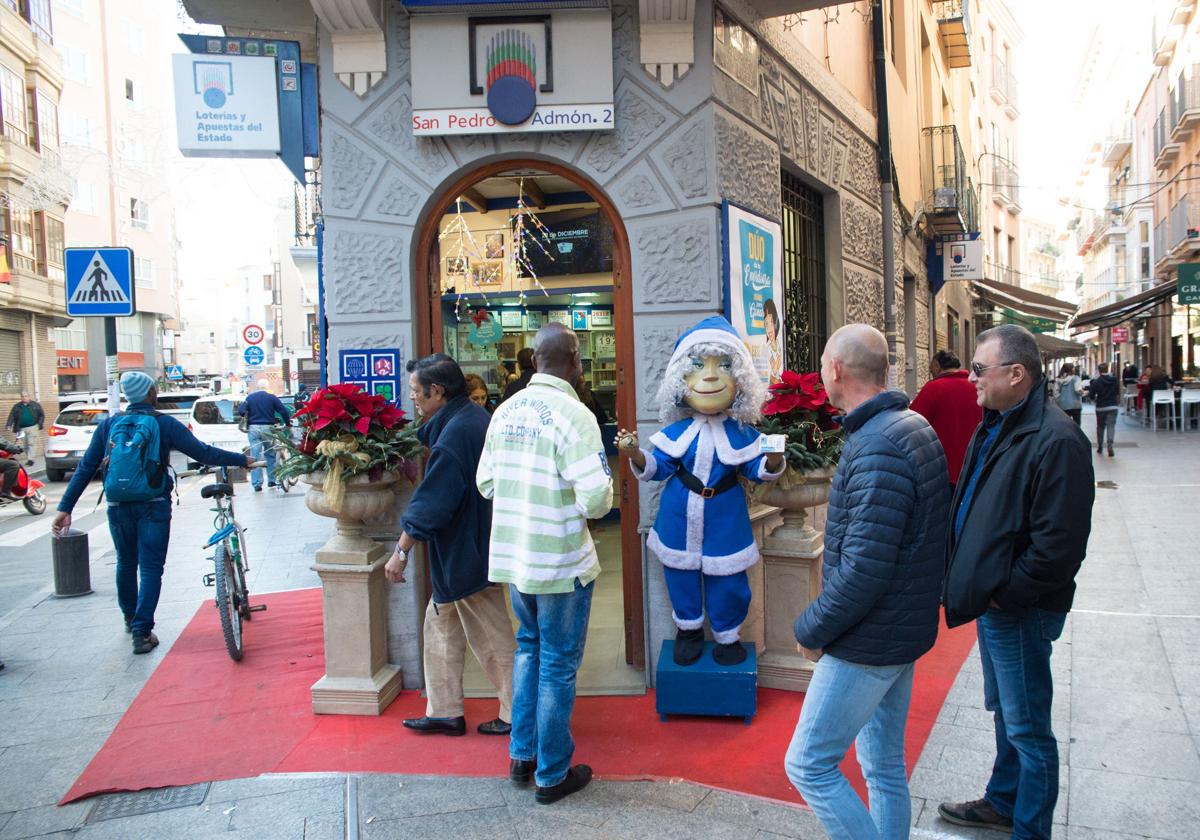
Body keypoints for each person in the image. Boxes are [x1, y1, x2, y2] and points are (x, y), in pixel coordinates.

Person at [784, 324, 950, 840]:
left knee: (808, 764)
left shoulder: (880, 443)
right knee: (882, 765)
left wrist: (810, 628)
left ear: (836, 370)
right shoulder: (908, 425)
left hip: (871, 639)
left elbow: (864, 569)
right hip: (898, 630)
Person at [938, 325, 1095, 839]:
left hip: (1020, 607)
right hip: (1000, 602)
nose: (971, 378)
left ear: (1017, 374)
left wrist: (1005, 595)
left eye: (979, 369)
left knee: (1028, 729)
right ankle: (1003, 802)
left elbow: (1058, 550)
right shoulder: (1001, 422)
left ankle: (1030, 829)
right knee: (1007, 712)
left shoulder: (1057, 440)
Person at [476, 323, 613, 805]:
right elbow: (597, 499)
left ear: (535, 361)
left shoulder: (503, 412)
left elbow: (486, 484)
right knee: (557, 664)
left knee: (529, 651)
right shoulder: (575, 415)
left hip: (516, 560)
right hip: (559, 562)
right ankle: (552, 774)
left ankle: (522, 756)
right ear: (574, 361)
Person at [617, 315, 783, 666]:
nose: (710, 376)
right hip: (678, 516)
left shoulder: (743, 434)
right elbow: (658, 466)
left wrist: (771, 462)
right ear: (681, 378)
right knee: (680, 575)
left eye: (723, 366)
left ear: (740, 380)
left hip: (726, 517)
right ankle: (688, 630)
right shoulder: (678, 432)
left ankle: (727, 636)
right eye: (697, 366)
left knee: (728, 579)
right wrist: (634, 453)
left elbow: (755, 469)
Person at [51, 371, 253, 655]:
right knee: (150, 568)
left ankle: (130, 618)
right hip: (154, 503)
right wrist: (242, 459)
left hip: (118, 505)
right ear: (150, 394)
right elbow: (203, 453)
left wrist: (65, 509)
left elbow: (86, 467)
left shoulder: (110, 424)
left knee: (125, 562)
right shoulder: (164, 423)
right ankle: (142, 631)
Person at [384, 355, 515, 738]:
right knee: (440, 627)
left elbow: (432, 503)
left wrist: (401, 551)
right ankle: (444, 711)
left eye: (415, 392)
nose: (412, 399)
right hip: (466, 550)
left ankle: (515, 714)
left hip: (467, 554)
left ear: (436, 391)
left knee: (493, 640)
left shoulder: (457, 433)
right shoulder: (469, 419)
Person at [910, 349, 983, 492]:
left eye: (931, 368)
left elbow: (912, 423)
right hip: (976, 464)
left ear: (937, 366)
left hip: (944, 469)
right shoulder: (976, 386)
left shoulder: (933, 388)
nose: (931, 372)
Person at [237, 379, 291, 491]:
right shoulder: (271, 397)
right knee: (270, 454)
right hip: (268, 428)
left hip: (253, 428)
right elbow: (283, 410)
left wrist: (247, 414)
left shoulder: (250, 398)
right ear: (267, 387)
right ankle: (272, 480)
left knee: (254, 456)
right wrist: (287, 423)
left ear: (257, 387)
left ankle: (257, 484)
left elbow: (241, 410)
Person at [1087, 362, 1120, 456]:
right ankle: (1110, 446)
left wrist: (1095, 399)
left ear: (1099, 370)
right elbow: (1117, 392)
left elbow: (1091, 395)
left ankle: (1100, 447)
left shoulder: (1096, 382)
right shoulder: (1114, 380)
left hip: (1101, 407)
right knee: (1111, 426)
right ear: (1107, 370)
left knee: (1100, 427)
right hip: (1113, 406)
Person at [6, 392, 44, 467]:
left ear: (29, 397)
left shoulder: (35, 405)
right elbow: (12, 416)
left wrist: (39, 424)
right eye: (22, 396)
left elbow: (41, 415)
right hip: (21, 428)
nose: (24, 398)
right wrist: (9, 425)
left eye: (26, 396)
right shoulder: (16, 406)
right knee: (25, 444)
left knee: (31, 443)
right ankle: (29, 458)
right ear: (21, 397)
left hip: (33, 427)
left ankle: (30, 459)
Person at [763, 298, 783, 384]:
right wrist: (777, 362)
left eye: (771, 322)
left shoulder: (779, 343)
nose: (769, 329)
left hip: (779, 381)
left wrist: (778, 362)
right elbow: (774, 370)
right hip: (772, 383)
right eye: (766, 324)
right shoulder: (768, 348)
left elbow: (779, 365)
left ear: (776, 322)